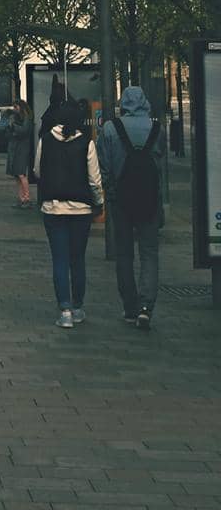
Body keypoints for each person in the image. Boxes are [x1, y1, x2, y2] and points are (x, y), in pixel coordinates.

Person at [98, 86, 165, 331]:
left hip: (121, 199)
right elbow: (159, 165)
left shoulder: (110, 129)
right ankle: (147, 306)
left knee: (124, 253)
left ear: (123, 102)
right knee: (149, 252)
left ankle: (130, 306)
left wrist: (110, 191)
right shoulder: (157, 128)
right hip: (149, 198)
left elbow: (104, 166)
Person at [34, 99, 104, 327]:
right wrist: (99, 203)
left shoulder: (45, 140)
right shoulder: (86, 142)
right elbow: (94, 180)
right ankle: (78, 306)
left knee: (60, 259)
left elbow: (37, 170)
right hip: (81, 208)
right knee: (77, 258)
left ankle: (64, 308)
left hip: (53, 207)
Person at [7, 100, 33, 207]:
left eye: (16, 107)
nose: (14, 109)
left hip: (22, 148)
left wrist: (13, 126)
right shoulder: (18, 118)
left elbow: (24, 131)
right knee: (17, 174)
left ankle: (26, 198)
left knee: (21, 174)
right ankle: (22, 197)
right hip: (16, 147)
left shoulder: (26, 118)